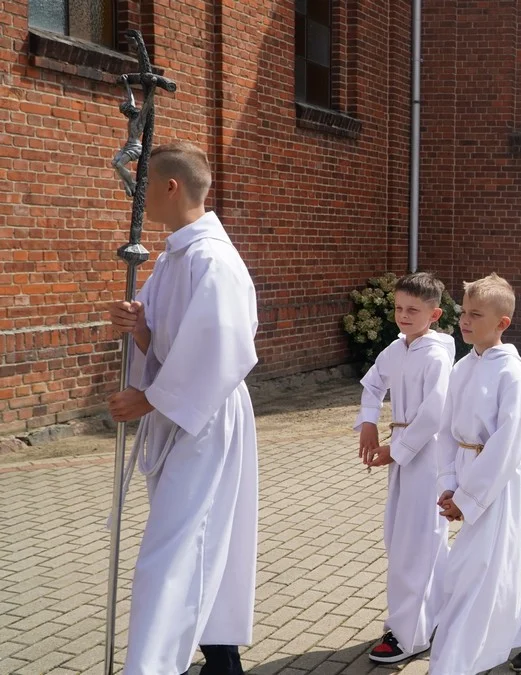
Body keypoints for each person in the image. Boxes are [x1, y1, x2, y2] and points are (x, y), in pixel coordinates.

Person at [106, 141, 258, 675]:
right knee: (197, 538)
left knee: (171, 551)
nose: (138, 195)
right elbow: (173, 345)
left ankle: (150, 667)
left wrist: (150, 396)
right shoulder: (174, 258)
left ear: (171, 186)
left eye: (144, 183)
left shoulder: (212, 259)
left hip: (205, 416)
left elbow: (224, 348)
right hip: (181, 413)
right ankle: (221, 659)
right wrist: (141, 330)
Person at [431, 273, 521, 674]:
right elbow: (446, 429)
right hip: (464, 474)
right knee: (494, 564)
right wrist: (448, 483)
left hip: (495, 483)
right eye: (463, 313)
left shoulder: (512, 373)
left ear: (502, 323)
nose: (465, 321)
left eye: (476, 315)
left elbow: (509, 442)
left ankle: (454, 663)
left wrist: (468, 498)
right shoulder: (462, 366)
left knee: (474, 570)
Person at [354, 272, 454, 664]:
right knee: (405, 538)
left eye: (413, 309)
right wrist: (367, 421)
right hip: (401, 454)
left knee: (416, 543)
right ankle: (432, 614)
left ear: (435, 313)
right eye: (398, 308)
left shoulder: (436, 355)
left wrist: (396, 449)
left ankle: (408, 635)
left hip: (426, 457)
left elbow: (434, 414)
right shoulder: (397, 349)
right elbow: (373, 384)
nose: (403, 315)